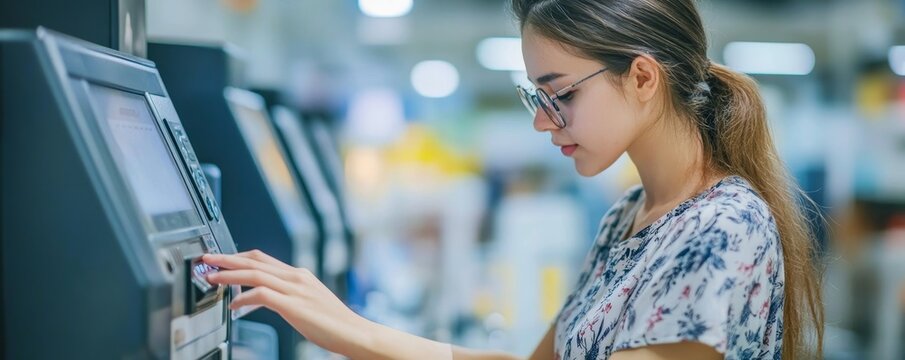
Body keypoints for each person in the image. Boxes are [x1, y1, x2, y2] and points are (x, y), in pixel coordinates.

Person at [202, 0, 825, 358]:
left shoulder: (724, 228)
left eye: (559, 96)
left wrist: (357, 332)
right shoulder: (629, 216)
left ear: (641, 77)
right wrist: (346, 329)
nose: (542, 122)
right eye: (536, 96)